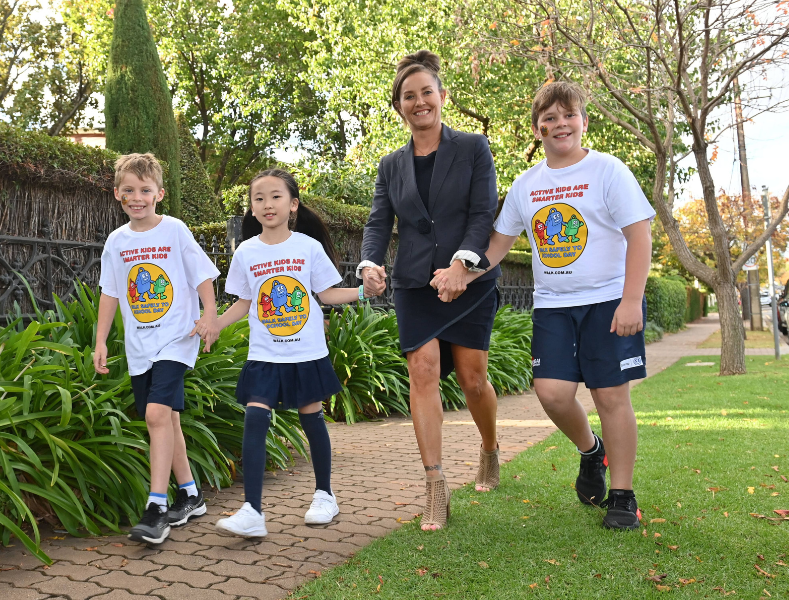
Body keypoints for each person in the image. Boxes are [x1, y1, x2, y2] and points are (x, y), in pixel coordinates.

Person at [456, 81, 655, 530]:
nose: (559, 124)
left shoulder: (609, 171)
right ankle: (591, 451)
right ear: (537, 129)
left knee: (610, 395)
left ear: (583, 122)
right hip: (553, 307)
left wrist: (631, 300)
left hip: (608, 301)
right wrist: (460, 273)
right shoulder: (526, 185)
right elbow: (498, 246)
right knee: (551, 393)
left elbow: (639, 236)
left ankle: (622, 495)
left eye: (568, 115)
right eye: (549, 119)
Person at [359, 50, 502, 532]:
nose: (419, 102)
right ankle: (435, 485)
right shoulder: (390, 165)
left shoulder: (473, 148)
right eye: (408, 96)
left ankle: (489, 448)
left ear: (442, 97)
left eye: (426, 93)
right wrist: (369, 263)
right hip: (415, 283)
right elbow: (379, 222)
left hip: (468, 280)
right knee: (422, 369)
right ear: (399, 106)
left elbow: (484, 214)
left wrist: (463, 264)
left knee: (472, 379)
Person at [210, 168, 375, 538]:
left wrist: (365, 293)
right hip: (264, 353)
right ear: (252, 209)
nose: (267, 204)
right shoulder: (246, 252)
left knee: (311, 416)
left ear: (293, 205)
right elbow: (243, 301)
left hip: (305, 351)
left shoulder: (307, 247)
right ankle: (252, 510)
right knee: (255, 417)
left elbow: (327, 294)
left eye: (276, 196)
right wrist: (216, 324)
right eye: (259, 198)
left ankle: (325, 495)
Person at [94, 153, 221, 544]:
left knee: (154, 416)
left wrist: (210, 314)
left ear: (159, 194)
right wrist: (99, 340)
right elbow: (110, 292)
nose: (137, 197)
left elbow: (202, 275)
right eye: (129, 190)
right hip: (139, 347)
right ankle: (192, 495)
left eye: (145, 190)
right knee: (169, 421)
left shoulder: (175, 230)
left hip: (176, 340)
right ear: (117, 194)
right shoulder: (116, 241)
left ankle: (157, 507)